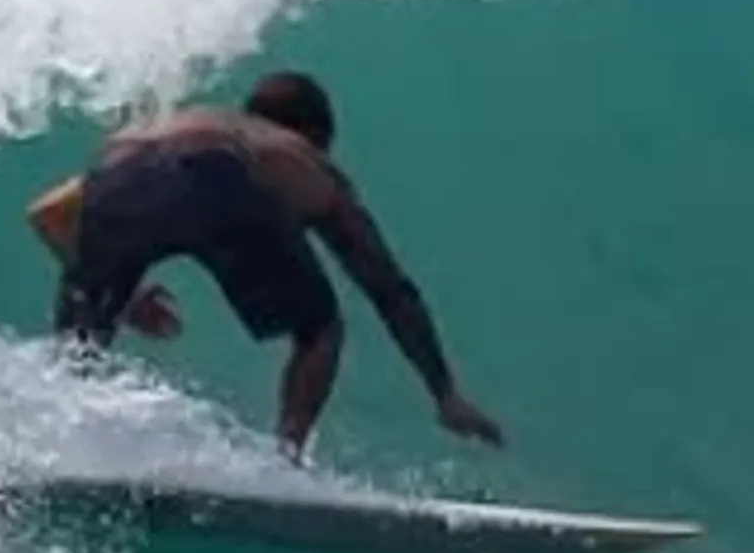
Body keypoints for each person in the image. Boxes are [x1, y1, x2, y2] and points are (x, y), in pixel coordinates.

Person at [26, 70, 504, 458]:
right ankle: (288, 460)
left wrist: (122, 299)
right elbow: (387, 286)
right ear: (316, 135)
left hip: (113, 172)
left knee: (82, 339)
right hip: (215, 174)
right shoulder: (299, 154)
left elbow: (47, 216)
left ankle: (59, 444)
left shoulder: (181, 124)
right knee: (321, 327)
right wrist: (443, 391)